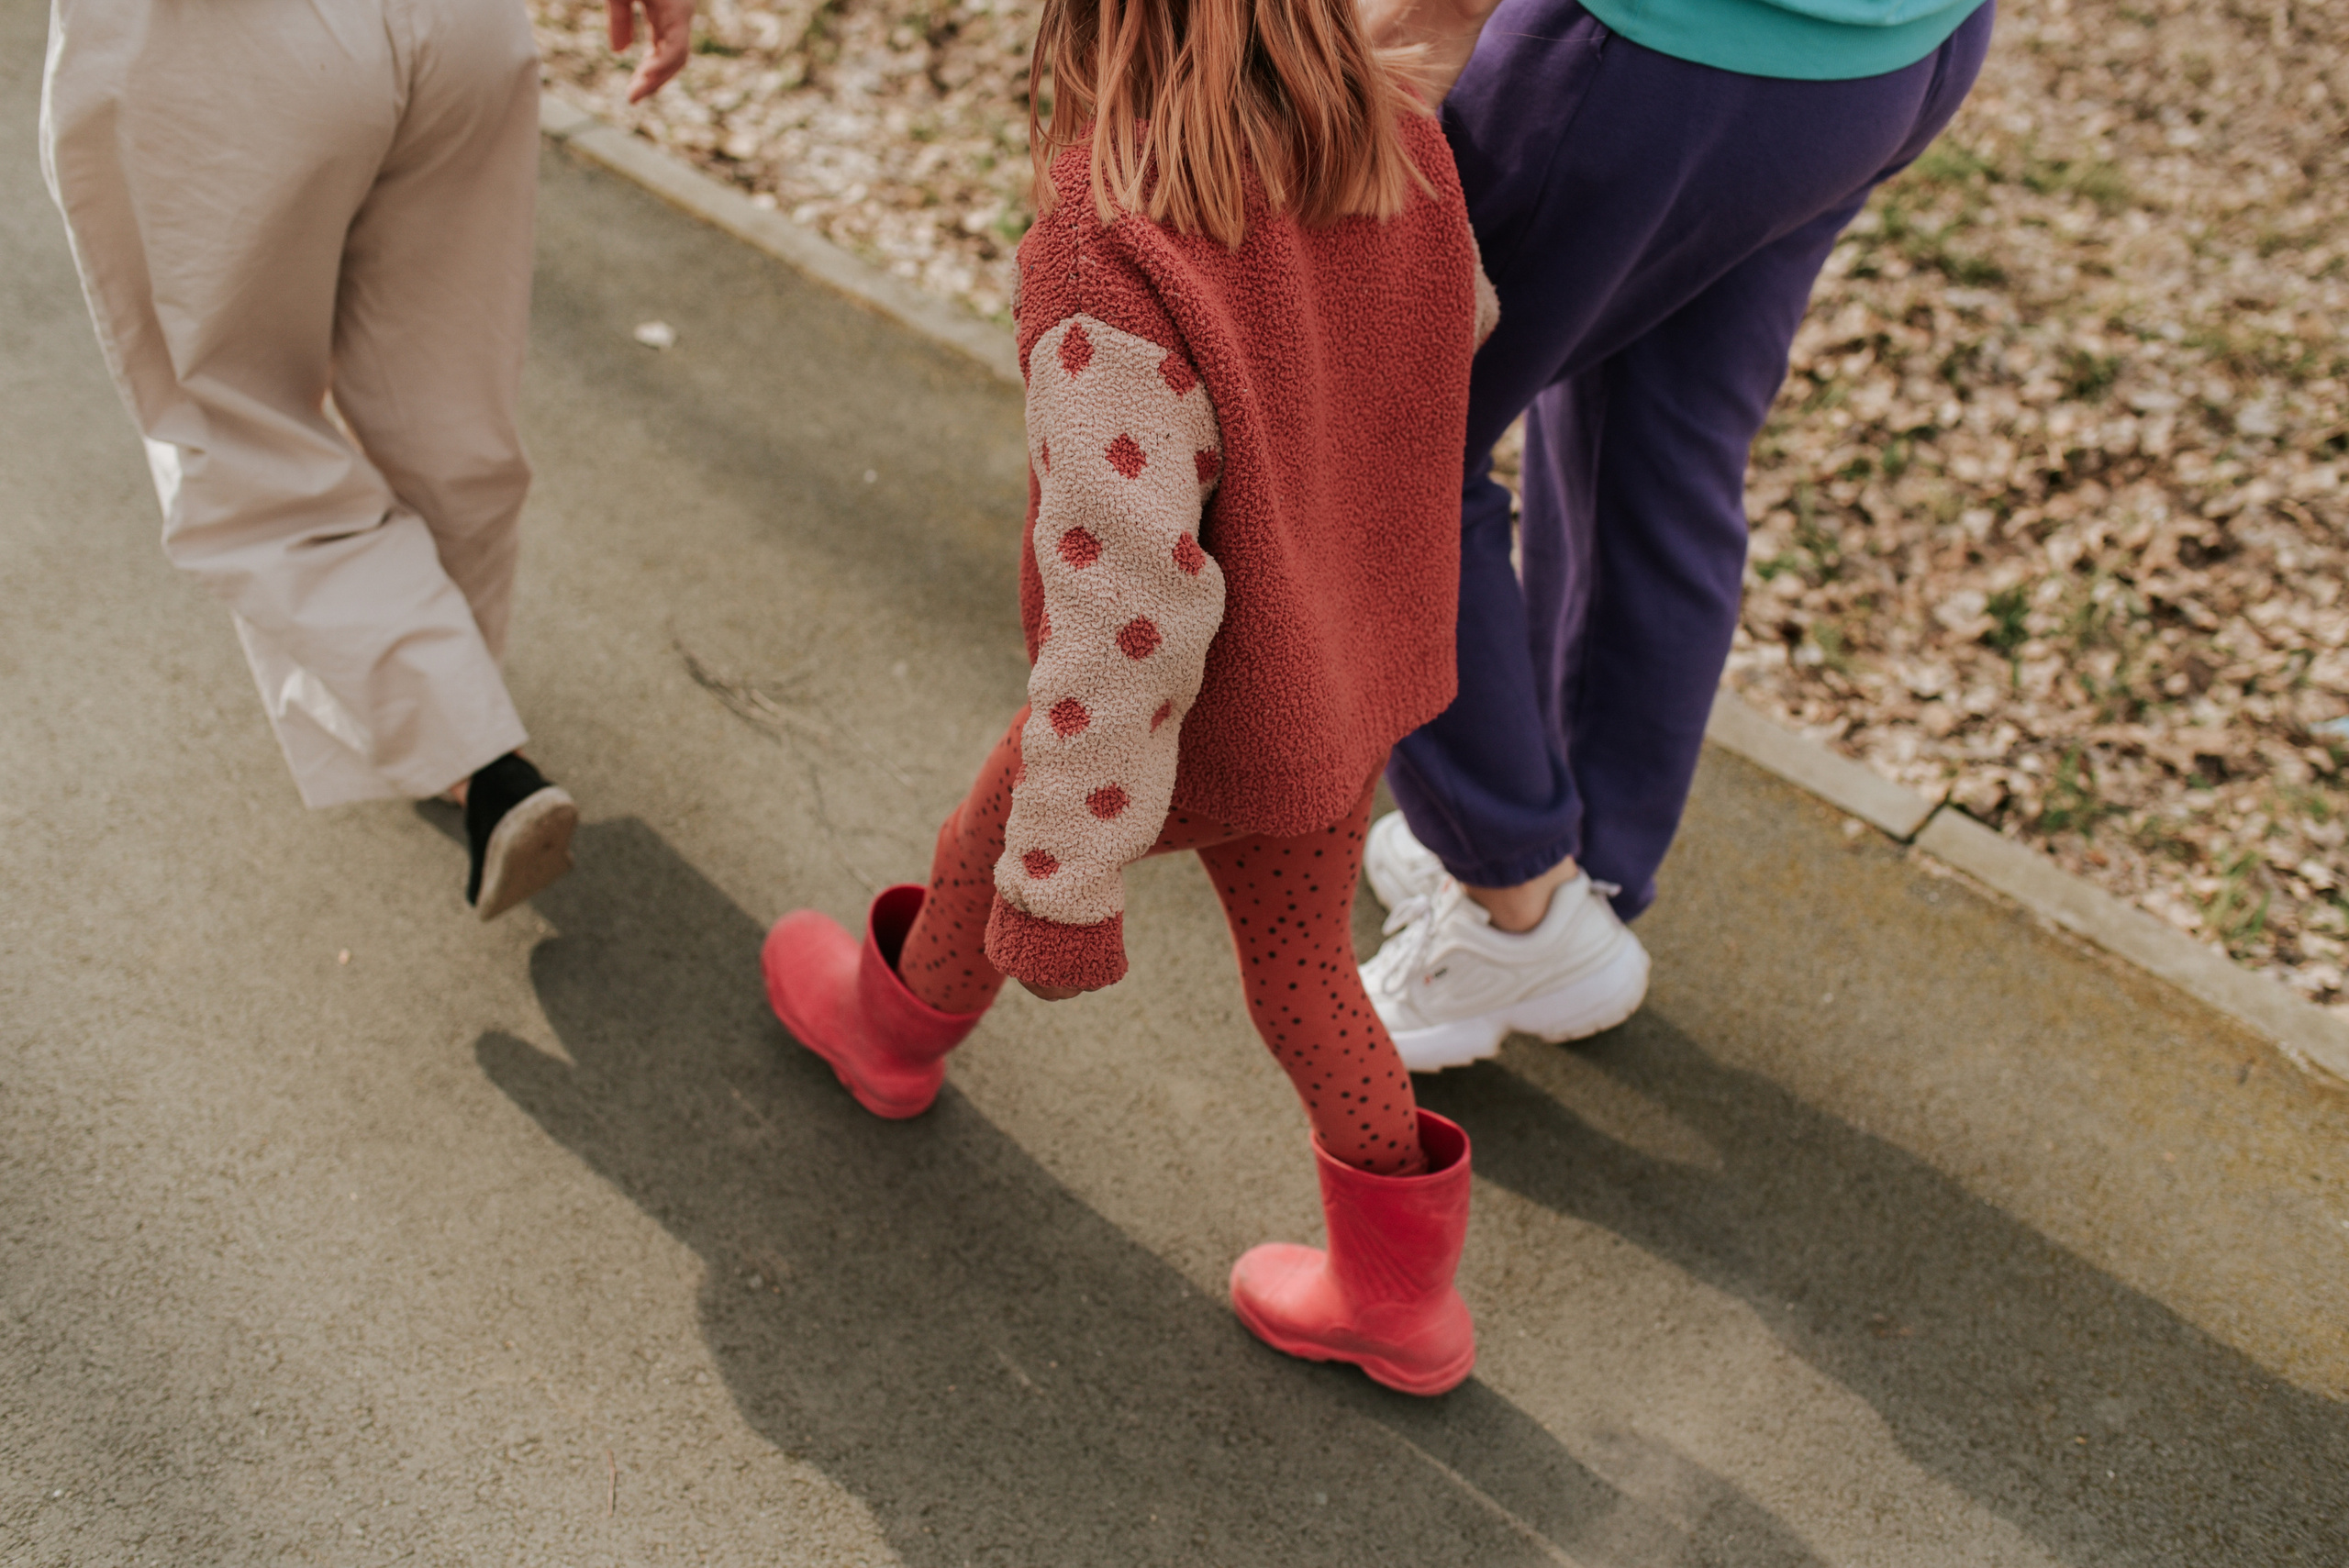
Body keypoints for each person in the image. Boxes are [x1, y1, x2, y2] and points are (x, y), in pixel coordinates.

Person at [762, 0, 1497, 1395]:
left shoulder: (1108, 243)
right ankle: (1401, 1298)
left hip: (1180, 716)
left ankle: (889, 1035)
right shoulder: (1391, 136)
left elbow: (1129, 606)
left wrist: (1068, 879)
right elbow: (1456, 325)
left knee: (987, 852)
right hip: (1338, 677)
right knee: (1306, 971)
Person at [1351, 0, 1997, 1069]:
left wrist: (1421, 26)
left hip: (1651, 53)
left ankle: (1520, 899)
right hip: (1885, 58)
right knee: (1655, 439)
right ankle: (1576, 876)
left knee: (1364, 451)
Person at [40, 0, 694, 917]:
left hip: (221, 54)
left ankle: (469, 749)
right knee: (444, 407)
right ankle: (458, 713)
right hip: (462, 28)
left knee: (236, 427)